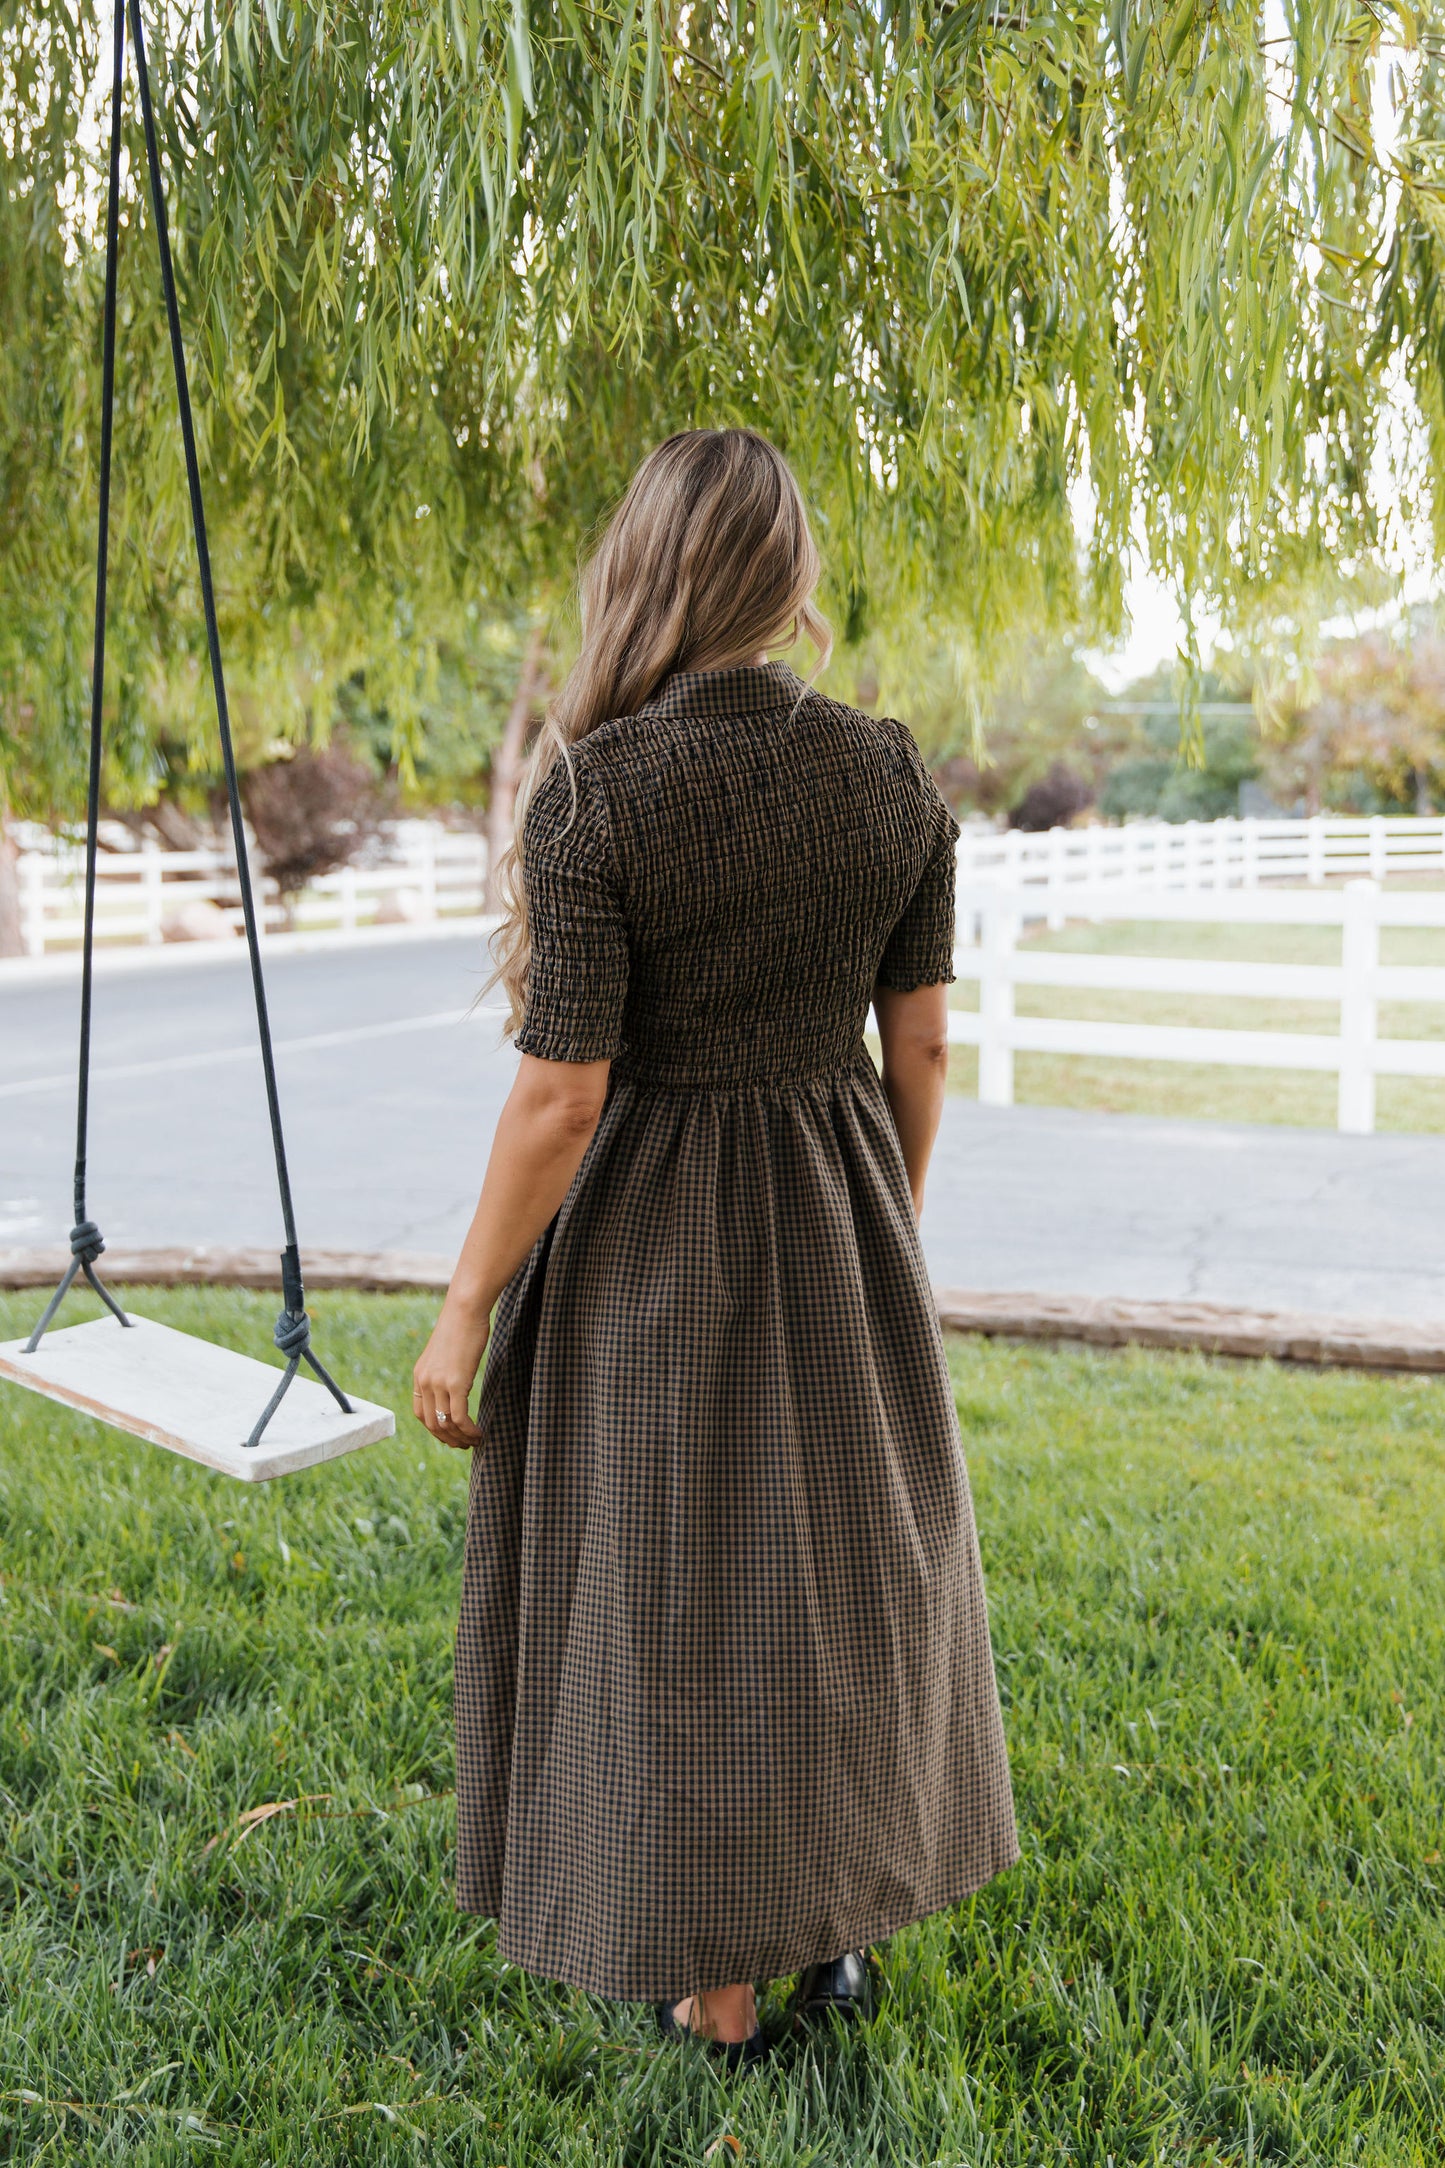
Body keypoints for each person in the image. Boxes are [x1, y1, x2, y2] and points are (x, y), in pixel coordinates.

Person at [413, 427, 1018, 2066]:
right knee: (836, 1582)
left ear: (647, 567)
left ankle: (722, 1983)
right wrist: (873, 1219)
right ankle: (835, 1917)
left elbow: (560, 1100)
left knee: (681, 1590)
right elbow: (925, 1054)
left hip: (656, 1247)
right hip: (839, 1203)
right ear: (790, 582)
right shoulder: (890, 773)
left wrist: (461, 1312)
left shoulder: (600, 790)